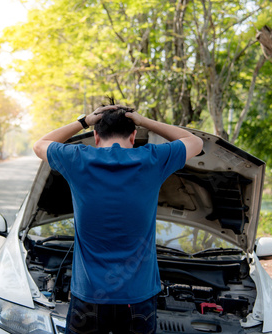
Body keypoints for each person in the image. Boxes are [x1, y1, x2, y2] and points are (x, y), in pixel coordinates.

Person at [33, 104, 203, 334]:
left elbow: (39, 145)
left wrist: (83, 121)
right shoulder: (152, 158)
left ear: (95, 136)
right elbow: (195, 142)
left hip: (89, 298)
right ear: (133, 136)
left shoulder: (76, 159)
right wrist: (143, 121)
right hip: (138, 300)